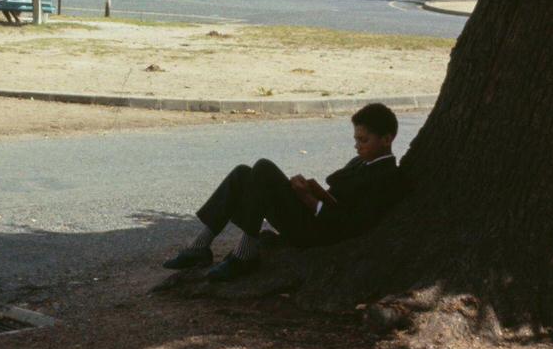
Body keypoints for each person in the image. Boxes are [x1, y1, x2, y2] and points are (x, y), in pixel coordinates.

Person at [161, 103, 403, 281]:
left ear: (386, 139)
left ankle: (245, 254)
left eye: (364, 140)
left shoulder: (387, 177)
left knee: (263, 168)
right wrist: (307, 191)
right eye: (356, 139)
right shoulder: (360, 161)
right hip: (314, 217)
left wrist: (309, 200)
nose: (357, 146)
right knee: (244, 173)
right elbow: (334, 197)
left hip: (321, 234)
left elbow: (352, 225)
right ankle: (199, 246)